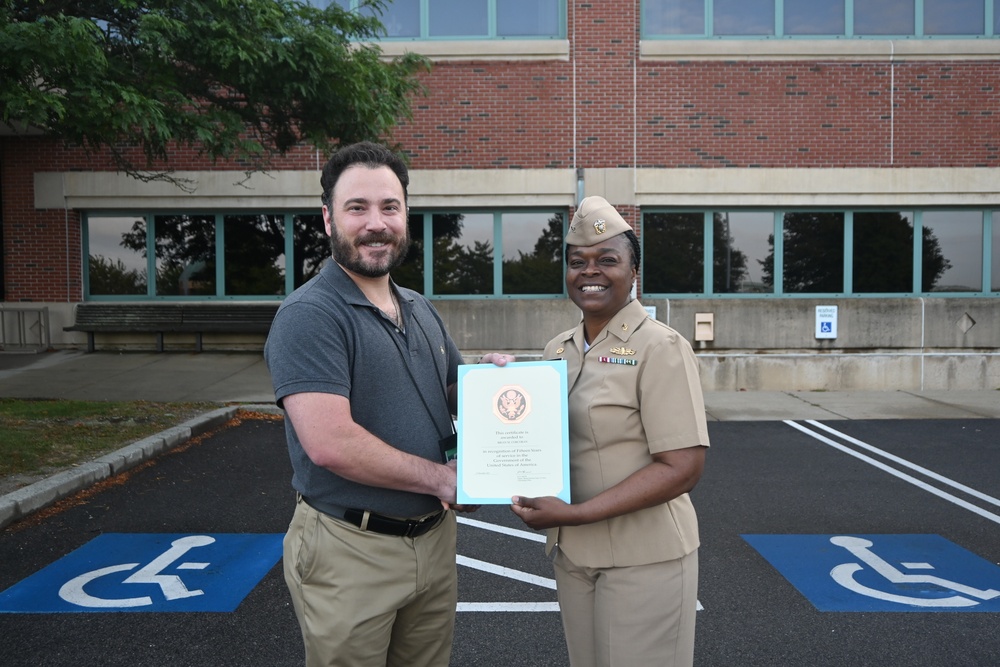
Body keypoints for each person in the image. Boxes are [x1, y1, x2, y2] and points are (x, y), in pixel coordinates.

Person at [264, 141, 512, 667]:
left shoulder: (419, 308)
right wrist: (443, 480)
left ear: (406, 215)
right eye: (358, 208)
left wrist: (503, 386)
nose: (376, 223)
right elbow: (331, 443)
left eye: (389, 207)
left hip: (433, 541)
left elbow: (456, 390)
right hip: (350, 548)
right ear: (328, 219)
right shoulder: (310, 315)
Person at [510, 195, 710, 667]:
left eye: (607, 260)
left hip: (646, 558)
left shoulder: (661, 348)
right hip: (574, 556)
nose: (589, 271)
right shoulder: (558, 349)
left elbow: (683, 467)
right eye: (577, 262)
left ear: (633, 271)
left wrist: (575, 514)